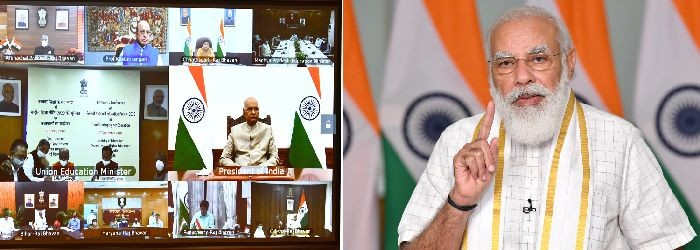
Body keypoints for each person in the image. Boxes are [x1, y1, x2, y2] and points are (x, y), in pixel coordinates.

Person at [397, 6, 696, 250]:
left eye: (538, 59)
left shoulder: (620, 141)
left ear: (569, 62)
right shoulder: (457, 141)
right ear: (491, 72)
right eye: (505, 63)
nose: (522, 77)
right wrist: (459, 202)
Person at [220, 97, 279, 167]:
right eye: (249, 109)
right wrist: (237, 169)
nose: (253, 112)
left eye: (256, 109)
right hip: (240, 174)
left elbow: (275, 157)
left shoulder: (267, 129)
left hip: (262, 173)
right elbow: (224, 158)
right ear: (243, 111)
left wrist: (261, 168)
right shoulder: (234, 130)